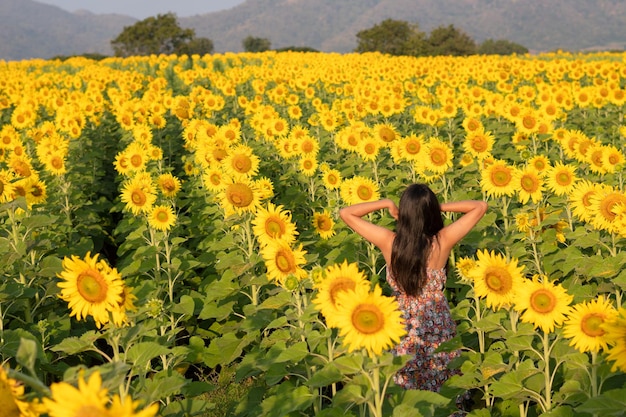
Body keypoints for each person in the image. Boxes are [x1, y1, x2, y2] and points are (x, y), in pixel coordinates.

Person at [339, 183, 488, 392]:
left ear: (404, 212)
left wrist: (386, 203)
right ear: (430, 212)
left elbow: (346, 213)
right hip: (436, 321)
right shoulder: (442, 241)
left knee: (405, 388)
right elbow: (480, 206)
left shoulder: (389, 242)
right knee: (442, 382)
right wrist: (438, 207)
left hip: (401, 324)